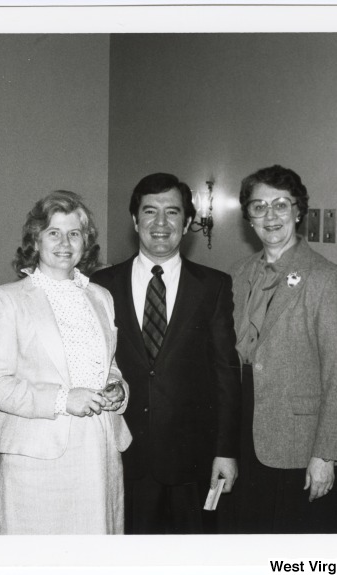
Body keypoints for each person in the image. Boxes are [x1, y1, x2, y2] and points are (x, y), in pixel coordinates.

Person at [91, 172, 241, 534]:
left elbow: (226, 373)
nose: (161, 223)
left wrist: (226, 450)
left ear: (187, 223)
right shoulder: (101, 286)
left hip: (191, 460)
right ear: (134, 220)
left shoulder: (213, 286)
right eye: (150, 211)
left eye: (172, 212)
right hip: (123, 453)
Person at [0, 190, 132, 534]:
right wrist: (64, 400)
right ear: (36, 240)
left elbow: (108, 366)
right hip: (38, 456)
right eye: (54, 233)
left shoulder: (101, 297)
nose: (65, 243)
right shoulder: (6, 299)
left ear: (85, 242)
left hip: (100, 449)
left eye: (74, 233)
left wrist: (118, 388)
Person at [229, 165, 337, 533]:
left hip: (299, 438)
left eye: (281, 205)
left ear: (298, 212)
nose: (270, 216)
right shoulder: (237, 274)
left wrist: (326, 455)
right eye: (259, 207)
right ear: (248, 217)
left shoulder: (327, 278)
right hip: (243, 428)